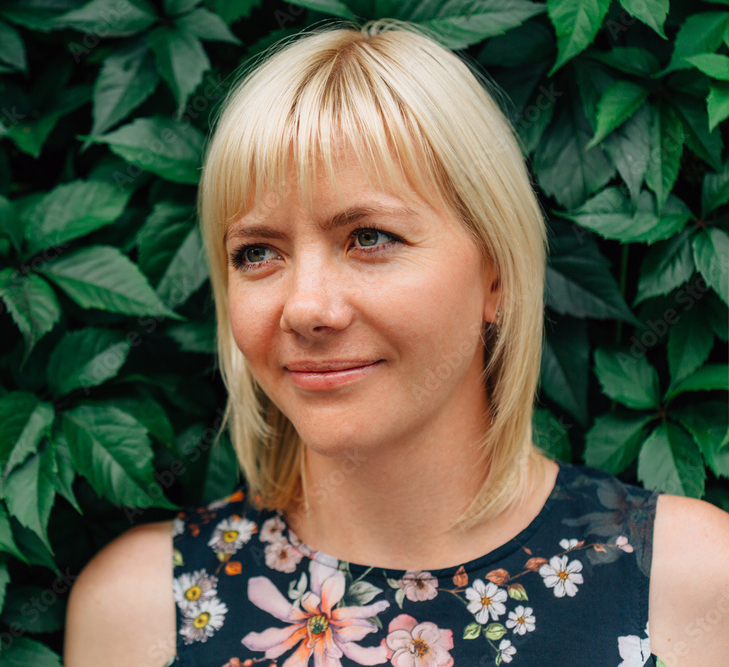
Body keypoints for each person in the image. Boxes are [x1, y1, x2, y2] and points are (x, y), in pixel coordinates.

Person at [63, 18, 729, 667]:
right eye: (257, 251)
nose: (306, 308)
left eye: (370, 237)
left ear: (494, 275)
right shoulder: (141, 608)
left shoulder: (688, 581)